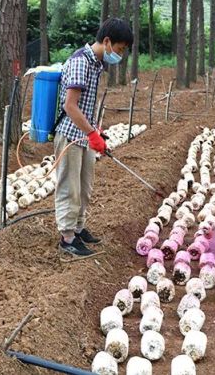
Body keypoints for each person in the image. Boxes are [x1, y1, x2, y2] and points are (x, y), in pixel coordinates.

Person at [53, 17, 134, 256]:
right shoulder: (80, 62)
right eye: (119, 49)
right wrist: (92, 133)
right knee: (70, 187)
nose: (119, 55)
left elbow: (86, 105)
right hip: (70, 135)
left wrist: (95, 132)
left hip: (84, 136)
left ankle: (78, 229)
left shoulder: (96, 64)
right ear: (107, 42)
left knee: (85, 186)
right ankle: (67, 237)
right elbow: (70, 105)